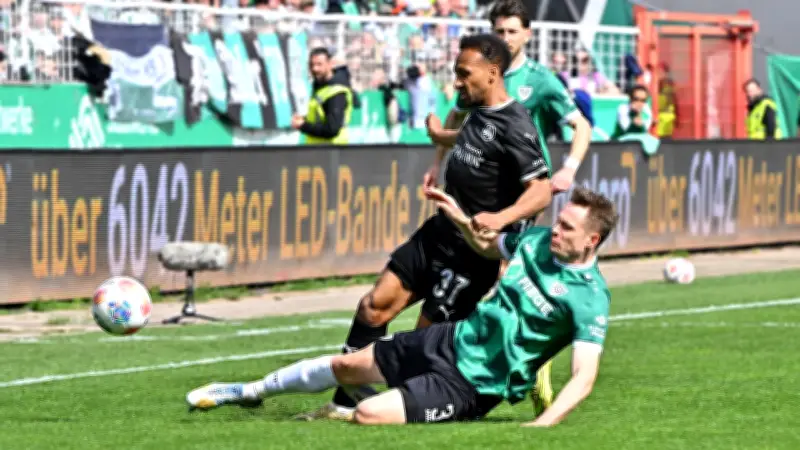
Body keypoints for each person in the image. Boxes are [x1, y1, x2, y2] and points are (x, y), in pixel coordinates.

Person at [186, 185, 617, 427]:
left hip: (472, 387)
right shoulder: (536, 241)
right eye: (558, 222)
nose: (555, 230)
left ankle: (355, 409)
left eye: (566, 227)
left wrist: (544, 425)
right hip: (450, 340)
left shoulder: (591, 298)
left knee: (368, 414)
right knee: (345, 365)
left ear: (591, 240)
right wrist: (460, 219)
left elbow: (584, 376)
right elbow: (488, 246)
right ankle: (248, 392)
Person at [293, 33, 553, 421]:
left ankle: (407, 406)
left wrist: (500, 219)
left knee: (421, 341)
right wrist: (439, 140)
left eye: (464, 74)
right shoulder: (478, 111)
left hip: (472, 254)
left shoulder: (517, 125)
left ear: (493, 72)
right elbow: (470, 137)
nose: (457, 82)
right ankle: (343, 403)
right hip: (438, 233)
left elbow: (542, 189)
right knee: (373, 307)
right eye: (455, 73)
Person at [425, 0, 593, 414]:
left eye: (512, 31)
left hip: (519, 195)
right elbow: (457, 121)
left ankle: (514, 366)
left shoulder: (540, 81)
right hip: (478, 193)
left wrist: (568, 169)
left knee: (503, 275)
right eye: (499, 31)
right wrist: (437, 162)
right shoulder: (475, 72)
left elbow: (581, 125)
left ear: (527, 35)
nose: (505, 38)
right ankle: (508, 362)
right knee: (493, 282)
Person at [291, 47, 354, 145]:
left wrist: (303, 125)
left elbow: (332, 129)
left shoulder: (336, 92)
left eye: (319, 64)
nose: (315, 69)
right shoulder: (321, 87)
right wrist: (303, 120)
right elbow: (320, 118)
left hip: (332, 150)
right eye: (312, 65)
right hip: (320, 149)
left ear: (330, 64)